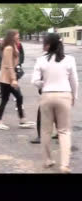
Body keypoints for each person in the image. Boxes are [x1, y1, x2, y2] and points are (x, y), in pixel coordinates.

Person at [31, 33, 78, 173]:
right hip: (64, 95)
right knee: (64, 131)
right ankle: (64, 164)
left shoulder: (41, 60)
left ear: (49, 44)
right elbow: (74, 81)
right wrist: (74, 96)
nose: (43, 44)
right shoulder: (69, 59)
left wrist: (43, 83)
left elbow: (34, 81)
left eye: (44, 42)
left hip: (47, 96)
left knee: (45, 131)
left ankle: (47, 160)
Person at [0, 30, 35, 130]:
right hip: (7, 79)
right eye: (17, 35)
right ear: (12, 37)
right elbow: (9, 66)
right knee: (15, 97)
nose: (18, 37)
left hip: (8, 79)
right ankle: (2, 121)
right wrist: (13, 79)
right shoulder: (8, 48)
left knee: (8, 99)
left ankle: (20, 120)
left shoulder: (13, 46)